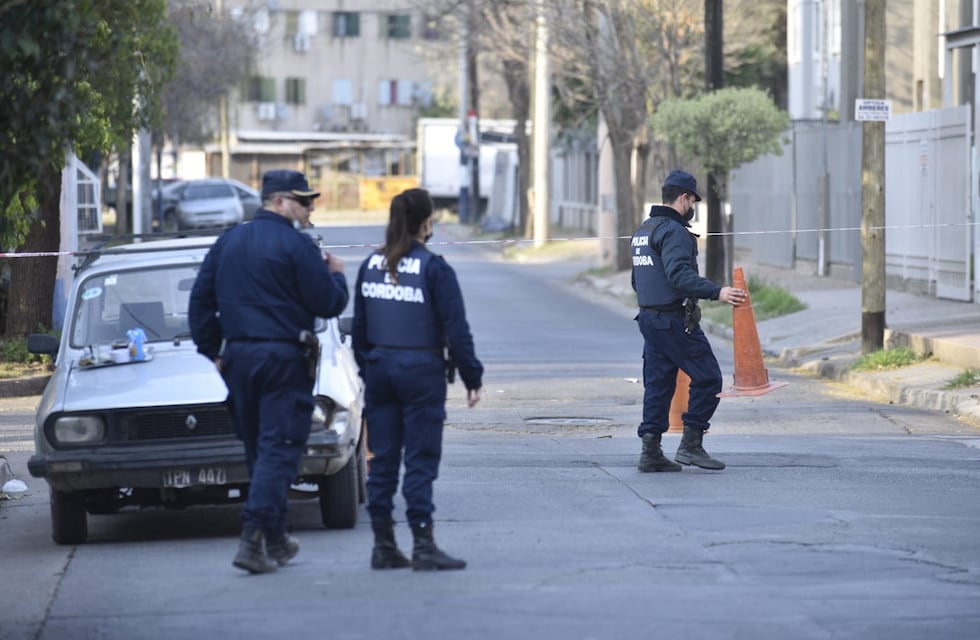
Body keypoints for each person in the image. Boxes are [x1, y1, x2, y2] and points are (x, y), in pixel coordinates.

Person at [189, 169, 349, 574]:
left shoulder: (227, 242)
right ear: (279, 202)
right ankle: (250, 538)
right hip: (282, 361)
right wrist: (338, 276)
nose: (310, 209)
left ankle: (275, 540)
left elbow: (199, 305)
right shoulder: (297, 247)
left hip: (239, 362)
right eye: (303, 201)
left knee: (262, 452)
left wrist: (215, 351)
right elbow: (328, 304)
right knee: (279, 452)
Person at [352, 187, 483, 572]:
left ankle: (382, 545)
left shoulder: (370, 265)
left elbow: (359, 329)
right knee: (421, 459)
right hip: (421, 374)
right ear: (427, 221)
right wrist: (471, 375)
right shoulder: (434, 267)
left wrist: (370, 367)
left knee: (383, 460)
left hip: (379, 372)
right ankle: (423, 545)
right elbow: (456, 328)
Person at [630, 170, 747, 473]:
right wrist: (717, 291)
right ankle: (691, 445)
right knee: (708, 377)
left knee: (658, 384)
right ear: (685, 198)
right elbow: (680, 276)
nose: (693, 206)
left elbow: (637, 279)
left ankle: (650, 451)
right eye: (693, 200)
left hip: (649, 318)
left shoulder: (644, 230)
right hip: (672, 320)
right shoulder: (674, 232)